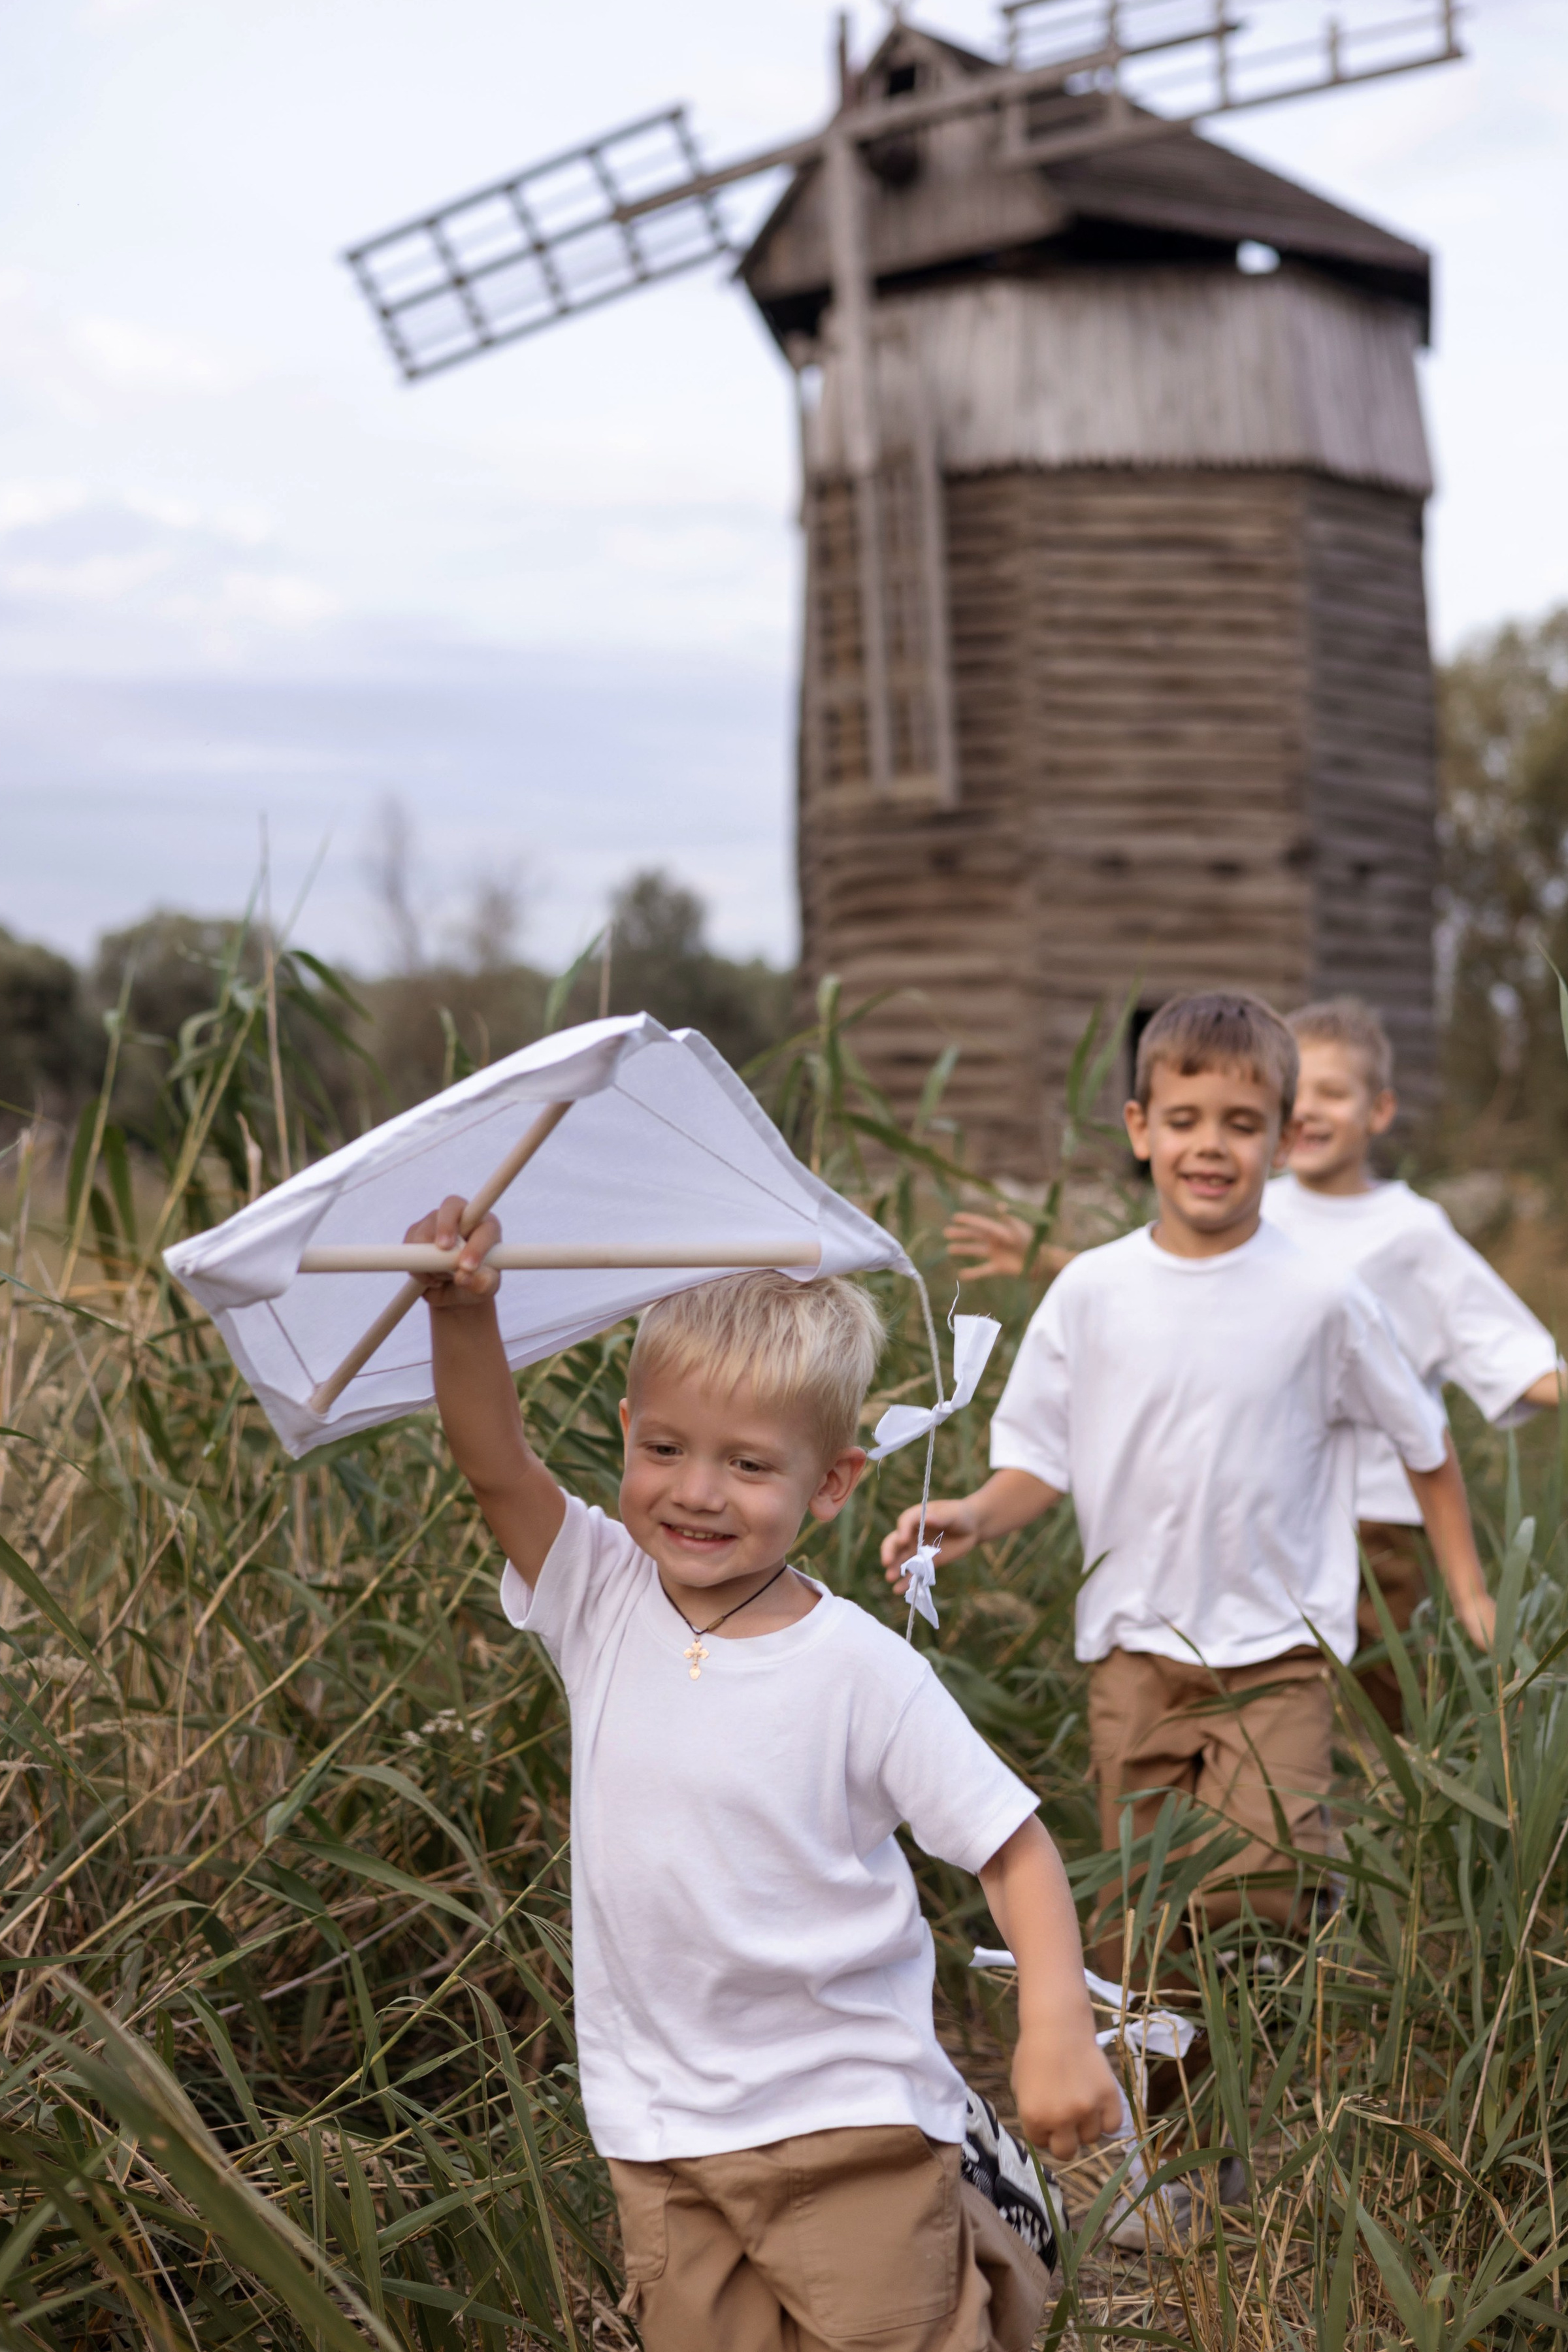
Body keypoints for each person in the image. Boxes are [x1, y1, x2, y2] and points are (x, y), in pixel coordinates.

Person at [410, 1204, 1122, 2352]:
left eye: (749, 1466)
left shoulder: (860, 1671)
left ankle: (986, 2251)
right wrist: (464, 1315)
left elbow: (1011, 1845)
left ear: (832, 1483)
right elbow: (495, 1462)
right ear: (629, 1432)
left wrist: (1055, 2022)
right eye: (667, 1450)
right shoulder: (598, 1593)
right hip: (660, 2122)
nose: (697, 1493)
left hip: (848, 2115)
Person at [885, 994, 1495, 1966]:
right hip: (1134, 1652)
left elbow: (1424, 1443)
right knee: (1144, 1913)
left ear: (1285, 1140)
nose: (1210, 1147)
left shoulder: (1324, 1299)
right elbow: (1041, 1456)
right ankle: (1161, 2101)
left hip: (1280, 1653)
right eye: (1184, 1121)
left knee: (1257, 1888)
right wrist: (973, 1515)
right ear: (1140, 1129)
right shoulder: (1092, 1289)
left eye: (1241, 1125)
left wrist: (1466, 1589)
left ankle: (1299, 1910)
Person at [948, 995, 1556, 1733]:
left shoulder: (1401, 1238)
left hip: (1375, 1524)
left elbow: (1502, 1354)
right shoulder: (1253, 1207)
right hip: (1238, 1530)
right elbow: (1161, 1296)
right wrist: (1044, 1261)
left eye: (1336, 1092)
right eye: (1308, 1094)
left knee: (1371, 1717)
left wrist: (1470, 1588)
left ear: (1373, 1111)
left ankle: (1365, 1807)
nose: (1217, 1141)